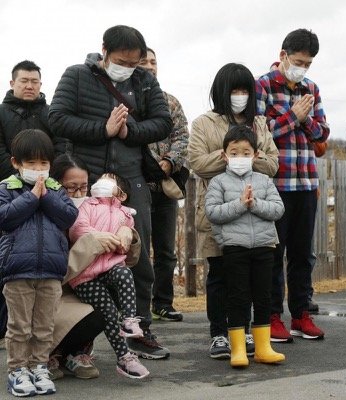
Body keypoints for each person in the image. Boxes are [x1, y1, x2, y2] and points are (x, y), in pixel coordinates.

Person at [49, 25, 172, 359]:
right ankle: (73, 340)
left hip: (129, 182)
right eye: (121, 61)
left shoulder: (145, 81)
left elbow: (163, 122)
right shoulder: (76, 76)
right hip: (84, 183)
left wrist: (129, 131)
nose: (127, 68)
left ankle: (140, 329)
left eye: (134, 63)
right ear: (103, 51)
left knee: (136, 255)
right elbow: (56, 118)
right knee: (81, 261)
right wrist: (101, 129)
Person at [188, 63, 279, 359]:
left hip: (255, 217)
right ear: (221, 92)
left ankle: (247, 331)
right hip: (219, 210)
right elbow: (198, 164)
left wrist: (250, 157)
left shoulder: (260, 123)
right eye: (234, 90)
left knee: (252, 280)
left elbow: (272, 164)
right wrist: (232, 154)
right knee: (219, 275)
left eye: (244, 90)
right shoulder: (204, 123)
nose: (239, 96)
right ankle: (218, 334)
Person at [256, 28, 329, 342]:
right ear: (283, 55)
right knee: (274, 254)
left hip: (306, 182)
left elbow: (323, 133)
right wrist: (292, 117)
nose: (303, 68)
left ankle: (301, 314)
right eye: (299, 61)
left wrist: (305, 119)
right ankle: (272, 315)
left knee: (302, 254)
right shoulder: (262, 85)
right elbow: (258, 133)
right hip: (275, 184)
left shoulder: (311, 88)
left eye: (308, 63)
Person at [0, 129, 78, 396]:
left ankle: (39, 367)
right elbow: (5, 218)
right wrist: (32, 195)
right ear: (16, 163)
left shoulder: (55, 189)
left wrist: (46, 195)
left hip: (51, 269)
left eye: (43, 164)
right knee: (20, 326)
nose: (38, 169)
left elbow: (69, 217)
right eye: (31, 164)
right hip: (17, 270)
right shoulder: (6, 188)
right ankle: (17, 370)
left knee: (44, 326)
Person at [205, 125, 285, 368]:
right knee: (237, 297)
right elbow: (212, 212)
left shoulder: (265, 180)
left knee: (263, 296)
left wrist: (254, 203)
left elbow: (278, 209)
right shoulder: (218, 182)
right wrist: (240, 205)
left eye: (246, 152)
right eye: (235, 152)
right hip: (235, 248)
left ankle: (263, 347)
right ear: (224, 155)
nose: (240, 158)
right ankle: (238, 348)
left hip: (264, 246)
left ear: (256, 155)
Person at [67, 173, 149, 379]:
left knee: (124, 273)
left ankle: (130, 320)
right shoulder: (88, 205)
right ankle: (124, 356)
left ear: (120, 194)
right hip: (85, 275)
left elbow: (126, 242)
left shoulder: (125, 214)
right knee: (109, 312)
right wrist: (101, 237)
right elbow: (78, 228)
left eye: (110, 179)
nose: (102, 180)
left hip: (110, 268)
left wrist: (125, 235)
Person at [138, 47, 189, 322]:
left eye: (153, 61)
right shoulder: (126, 101)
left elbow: (183, 136)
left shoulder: (170, 102)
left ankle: (163, 303)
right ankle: (139, 307)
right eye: (144, 61)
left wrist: (169, 161)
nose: (150, 65)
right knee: (139, 250)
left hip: (166, 186)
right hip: (137, 187)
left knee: (166, 250)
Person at [0, 60, 67, 181]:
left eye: (34, 82)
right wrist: (18, 178)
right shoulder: (1, 112)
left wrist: (46, 175)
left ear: (40, 84)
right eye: (24, 81)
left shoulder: (53, 113)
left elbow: (62, 147)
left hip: (48, 182)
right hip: (6, 185)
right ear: (12, 83)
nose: (29, 86)